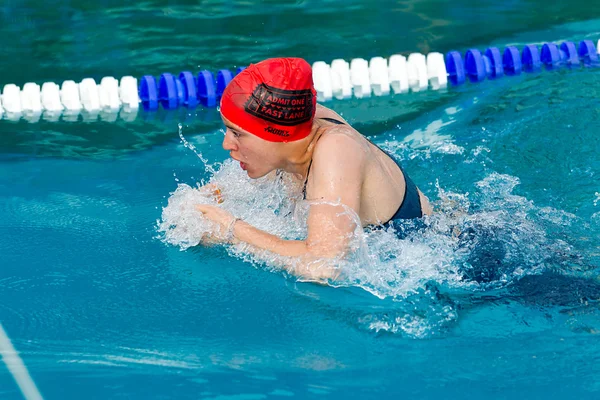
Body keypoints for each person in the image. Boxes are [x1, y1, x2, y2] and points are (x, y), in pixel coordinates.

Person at [195, 57, 433, 281]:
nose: (226, 144)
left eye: (237, 133)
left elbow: (324, 267)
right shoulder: (296, 129)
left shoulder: (335, 150)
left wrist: (232, 231)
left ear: (276, 136)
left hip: (434, 259)